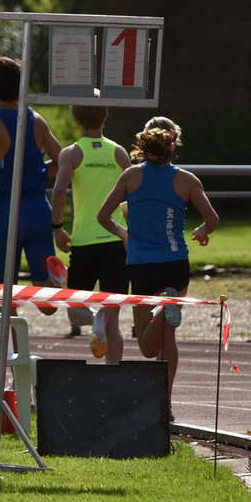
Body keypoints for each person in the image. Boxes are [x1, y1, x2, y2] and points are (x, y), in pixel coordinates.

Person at [97, 118, 219, 412]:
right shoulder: (188, 180)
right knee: (168, 341)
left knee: (147, 348)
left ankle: (164, 308)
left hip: (142, 264)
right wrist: (202, 232)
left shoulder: (130, 176)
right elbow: (212, 220)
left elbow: (103, 216)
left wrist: (124, 234)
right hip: (176, 263)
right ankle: (166, 404)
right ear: (173, 145)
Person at [0, 55, 62, 311]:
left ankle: (10, 350)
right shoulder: (36, 120)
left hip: (7, 212)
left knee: (5, 292)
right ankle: (76, 300)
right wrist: (37, 173)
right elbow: (63, 160)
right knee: (47, 300)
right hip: (38, 210)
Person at [51, 105, 132, 361]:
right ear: (106, 116)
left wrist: (57, 228)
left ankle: (96, 315)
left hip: (85, 243)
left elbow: (59, 189)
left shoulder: (72, 153)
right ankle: (113, 377)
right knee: (114, 323)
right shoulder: (119, 152)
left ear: (75, 120)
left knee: (75, 312)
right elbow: (135, 192)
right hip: (116, 242)